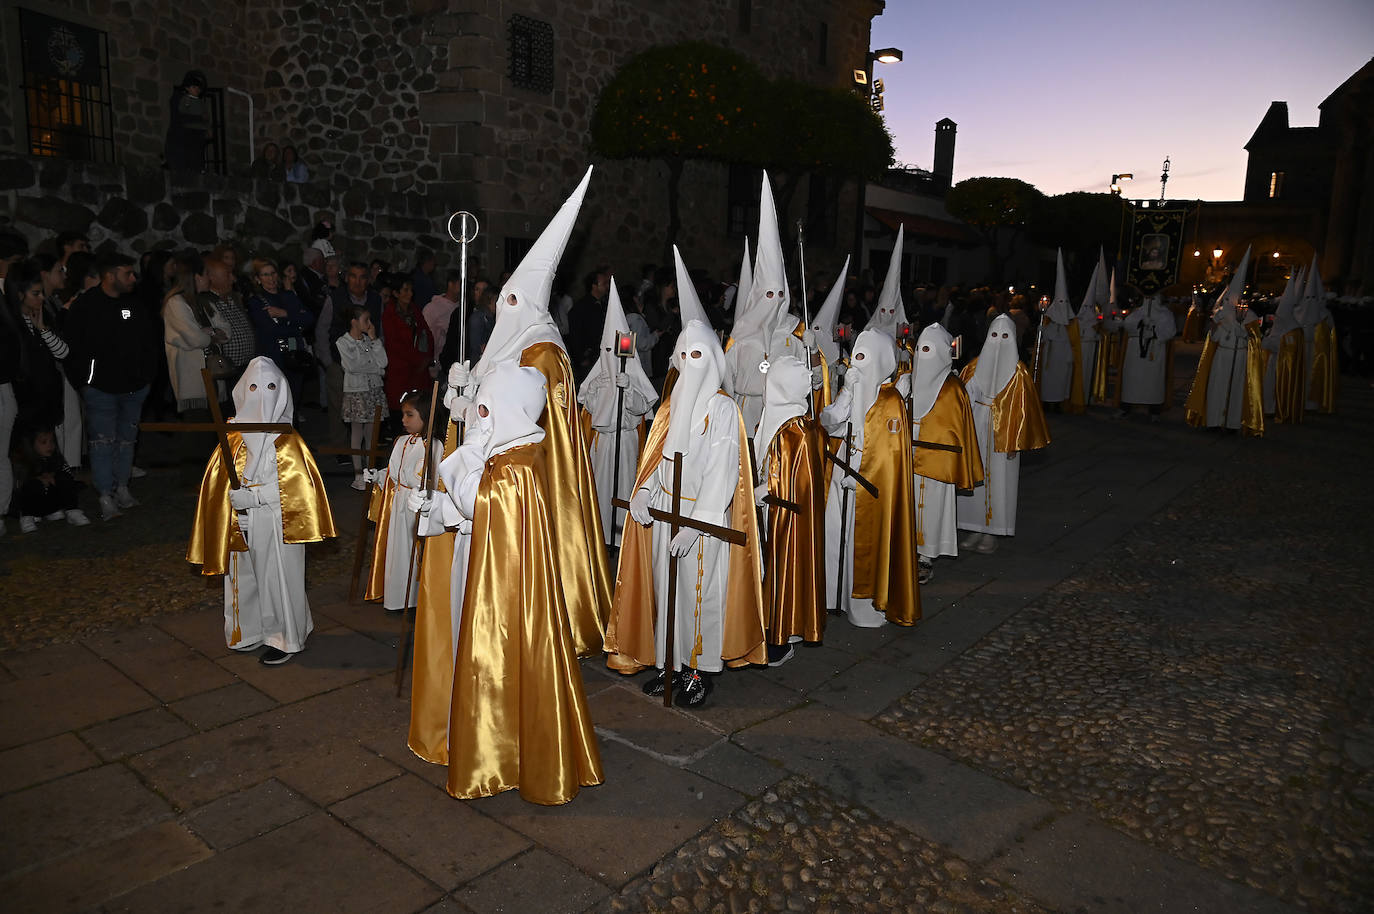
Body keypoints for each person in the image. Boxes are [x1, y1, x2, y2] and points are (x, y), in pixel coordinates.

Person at [412, 361, 603, 804]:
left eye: (484, 409)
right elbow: (477, 511)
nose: (479, 418)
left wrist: (463, 460)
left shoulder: (515, 464)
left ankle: (496, 754)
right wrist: (436, 510)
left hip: (499, 591)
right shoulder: (513, 454)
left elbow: (481, 502)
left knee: (496, 660)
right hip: (481, 566)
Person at [442, 166, 611, 657]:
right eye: (504, 298)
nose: (504, 307)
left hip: (532, 470)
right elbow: (493, 386)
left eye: (514, 299)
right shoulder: (513, 338)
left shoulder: (543, 349)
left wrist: (476, 403)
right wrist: (465, 388)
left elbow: (532, 413)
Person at [606, 319, 767, 707]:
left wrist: (700, 524)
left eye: (697, 354)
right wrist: (643, 492)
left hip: (701, 519)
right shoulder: (668, 407)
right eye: (683, 355)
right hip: (665, 511)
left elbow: (723, 469)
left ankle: (698, 671)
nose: (689, 362)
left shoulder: (723, 410)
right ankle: (671, 663)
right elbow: (654, 459)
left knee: (700, 594)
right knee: (667, 588)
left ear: (711, 360)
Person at [187, 357, 336, 664]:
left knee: (278, 579)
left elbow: (297, 489)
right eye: (254, 387)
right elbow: (217, 483)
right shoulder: (234, 438)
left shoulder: (287, 440)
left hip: (276, 522)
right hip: (241, 521)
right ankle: (251, 630)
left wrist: (254, 499)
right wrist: (230, 499)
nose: (262, 395)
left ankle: (285, 638)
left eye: (270, 387)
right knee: (245, 575)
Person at [819, 328, 920, 628]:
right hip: (842, 469)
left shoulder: (891, 402)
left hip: (870, 486)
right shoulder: (853, 386)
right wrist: (847, 393)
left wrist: (862, 479)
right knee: (836, 534)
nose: (856, 367)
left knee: (863, 542)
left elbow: (890, 457)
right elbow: (829, 423)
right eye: (855, 359)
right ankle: (834, 597)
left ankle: (865, 606)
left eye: (863, 359)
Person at [64, 252, 157, 521]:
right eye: (127, 273)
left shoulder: (135, 305)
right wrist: (85, 382)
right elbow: (73, 347)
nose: (132, 278)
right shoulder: (86, 306)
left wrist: (147, 377)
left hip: (134, 387)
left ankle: (123, 487)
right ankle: (105, 494)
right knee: (102, 442)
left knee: (127, 440)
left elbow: (149, 342)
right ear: (109, 275)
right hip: (100, 389)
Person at [753, 355, 827, 665]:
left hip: (786, 517)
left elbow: (794, 480)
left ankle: (781, 636)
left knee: (784, 569)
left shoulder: (798, 431)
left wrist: (767, 490)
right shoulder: (777, 420)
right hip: (771, 512)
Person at [956, 314, 1051, 553]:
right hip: (977, 427)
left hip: (1003, 434)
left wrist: (1015, 443)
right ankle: (975, 526)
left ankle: (992, 531)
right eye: (994, 336)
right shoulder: (974, 366)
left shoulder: (1019, 373)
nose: (998, 342)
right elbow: (963, 397)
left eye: (1005, 337)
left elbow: (1024, 411)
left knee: (999, 482)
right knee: (976, 478)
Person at [576, 277, 658, 547]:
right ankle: (600, 533)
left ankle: (622, 536)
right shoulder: (596, 379)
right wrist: (600, 390)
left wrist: (630, 391)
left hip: (625, 443)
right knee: (601, 488)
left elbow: (642, 409)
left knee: (624, 485)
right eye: (607, 351)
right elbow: (589, 408)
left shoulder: (631, 374)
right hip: (603, 443)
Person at [364, 388, 440, 612]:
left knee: (412, 553)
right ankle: (397, 599)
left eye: (410, 415)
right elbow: (393, 473)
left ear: (426, 416)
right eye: (403, 415)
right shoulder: (402, 442)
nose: (404, 420)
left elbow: (434, 480)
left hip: (415, 507)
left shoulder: (433, 446)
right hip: (397, 505)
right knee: (396, 552)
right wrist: (377, 475)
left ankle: (416, 599)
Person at [1185, 249, 1264, 436]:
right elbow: (1212, 337)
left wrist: (1240, 330)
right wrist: (1222, 326)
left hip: (1240, 356)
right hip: (1222, 355)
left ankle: (1231, 423)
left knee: (1235, 389)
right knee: (1217, 388)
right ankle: (1213, 421)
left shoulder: (1250, 316)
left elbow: (1254, 339)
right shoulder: (1220, 315)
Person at [163, 251, 229, 413]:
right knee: (198, 430)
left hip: (214, 374)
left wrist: (210, 332)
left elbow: (226, 331)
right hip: (193, 376)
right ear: (196, 277)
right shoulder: (175, 303)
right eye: (206, 274)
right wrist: (212, 335)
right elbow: (194, 338)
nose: (210, 278)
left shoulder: (205, 302)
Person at [245, 257, 314, 410]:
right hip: (273, 357)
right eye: (265, 275)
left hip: (295, 355)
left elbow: (309, 318)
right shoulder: (257, 302)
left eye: (273, 273)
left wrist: (284, 314)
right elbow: (271, 330)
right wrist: (296, 324)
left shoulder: (287, 295)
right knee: (276, 405)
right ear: (257, 278)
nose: (271, 278)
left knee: (293, 402)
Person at [336, 304, 388, 489]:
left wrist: (374, 339)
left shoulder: (369, 340)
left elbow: (384, 361)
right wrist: (377, 370)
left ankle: (370, 471)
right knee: (357, 433)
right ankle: (358, 473)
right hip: (356, 391)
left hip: (373, 390)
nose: (369, 323)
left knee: (371, 433)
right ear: (354, 322)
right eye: (366, 320)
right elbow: (353, 366)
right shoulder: (343, 343)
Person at [1114, 293, 1179, 421]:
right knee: (1132, 379)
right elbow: (1127, 325)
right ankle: (1126, 407)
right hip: (1135, 353)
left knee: (1153, 381)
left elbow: (1170, 331)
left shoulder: (1165, 314)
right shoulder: (1137, 313)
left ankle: (1154, 411)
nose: (1150, 301)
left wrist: (1155, 330)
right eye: (1148, 298)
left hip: (1154, 351)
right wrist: (1141, 324)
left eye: (1153, 298)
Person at [381, 278, 437, 421]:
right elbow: (394, 343)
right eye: (405, 290)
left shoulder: (415, 310)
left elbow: (427, 334)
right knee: (399, 409)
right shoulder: (390, 313)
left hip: (418, 371)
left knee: (419, 409)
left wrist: (426, 358)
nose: (410, 293)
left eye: (411, 290)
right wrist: (419, 360)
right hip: (400, 370)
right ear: (396, 293)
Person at [14, 426, 89, 532]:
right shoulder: (26, 462)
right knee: (33, 485)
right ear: (31, 445)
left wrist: (55, 476)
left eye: (52, 441)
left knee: (64, 478)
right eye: (44, 442)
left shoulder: (57, 459)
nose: (49, 445)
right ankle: (27, 516)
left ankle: (72, 510)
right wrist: (39, 479)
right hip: (33, 503)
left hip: (52, 502)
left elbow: (69, 478)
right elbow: (19, 486)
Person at [1034, 249, 1079, 411]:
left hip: (1062, 359)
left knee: (1061, 381)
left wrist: (1070, 358)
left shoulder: (1070, 326)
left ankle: (1059, 404)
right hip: (1050, 358)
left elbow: (1072, 343)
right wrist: (1041, 331)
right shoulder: (1049, 323)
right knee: (1048, 381)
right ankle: (1046, 403)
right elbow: (1044, 339)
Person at [1296, 256, 1337, 413]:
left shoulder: (1325, 315)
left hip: (1317, 352)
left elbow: (1330, 334)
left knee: (1314, 376)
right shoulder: (1298, 312)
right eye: (1308, 298)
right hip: (1300, 350)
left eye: (1314, 298)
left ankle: (1313, 402)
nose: (1311, 302)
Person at [164, 70, 209, 172]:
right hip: (180, 144)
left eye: (199, 87)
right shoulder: (179, 98)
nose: (197, 89)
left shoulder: (198, 103)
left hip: (194, 148)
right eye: (195, 85)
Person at [422, 269, 463, 358]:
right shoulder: (432, 308)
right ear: (450, 284)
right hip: (438, 360)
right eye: (460, 284)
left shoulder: (463, 307)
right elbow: (425, 338)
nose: (463, 288)